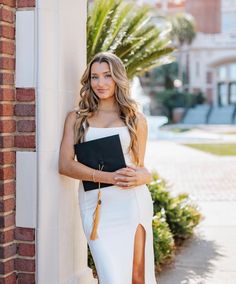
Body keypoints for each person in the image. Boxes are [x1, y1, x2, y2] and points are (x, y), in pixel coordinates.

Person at [58, 52, 157, 284]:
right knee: (110, 276)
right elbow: (65, 165)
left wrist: (145, 176)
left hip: (131, 203)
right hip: (96, 206)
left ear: (118, 79)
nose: (100, 83)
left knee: (136, 276)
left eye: (107, 76)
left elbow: (141, 167)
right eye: (94, 77)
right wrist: (109, 177)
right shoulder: (77, 118)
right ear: (88, 81)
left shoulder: (136, 120)